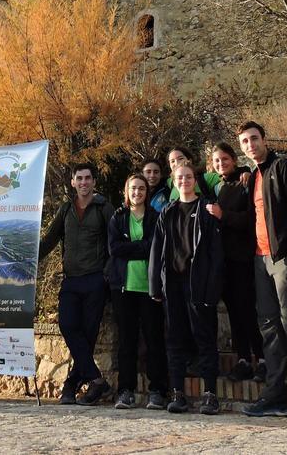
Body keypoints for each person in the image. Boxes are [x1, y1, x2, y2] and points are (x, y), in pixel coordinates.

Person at [237, 121, 287, 422]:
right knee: (269, 328)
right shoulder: (253, 176)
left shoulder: (284, 167)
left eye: (254, 139)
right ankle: (274, 397)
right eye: (244, 142)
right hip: (259, 260)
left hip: (284, 259)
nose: (250, 145)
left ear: (264, 140)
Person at [38, 162, 116, 405]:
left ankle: (71, 384)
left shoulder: (104, 208)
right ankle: (96, 380)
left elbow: (115, 242)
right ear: (73, 182)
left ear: (94, 182)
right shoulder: (65, 209)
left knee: (88, 334)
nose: (83, 182)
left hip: (95, 279)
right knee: (68, 325)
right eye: (79, 178)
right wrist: (27, 259)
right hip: (71, 280)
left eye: (87, 178)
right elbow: (50, 239)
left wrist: (107, 273)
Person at [149, 162, 223, 416]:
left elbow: (216, 254)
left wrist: (213, 288)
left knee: (205, 339)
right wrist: (154, 287)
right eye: (180, 177)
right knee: (175, 340)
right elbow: (156, 252)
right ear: (173, 180)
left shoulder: (206, 210)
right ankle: (178, 393)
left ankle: (210, 394)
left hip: (199, 286)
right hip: (173, 287)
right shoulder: (167, 212)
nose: (184, 181)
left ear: (195, 179)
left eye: (189, 177)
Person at [105, 173, 167, 410]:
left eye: (141, 189)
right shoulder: (118, 217)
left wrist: (130, 247)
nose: (137, 192)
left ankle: (157, 391)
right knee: (126, 341)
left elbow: (154, 247)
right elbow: (114, 249)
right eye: (133, 188)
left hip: (149, 286)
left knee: (154, 339)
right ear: (126, 191)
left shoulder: (155, 217)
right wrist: (139, 248)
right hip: (123, 286)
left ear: (146, 192)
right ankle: (125, 391)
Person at [206, 142, 266, 383]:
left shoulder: (245, 181)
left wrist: (224, 216)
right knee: (233, 311)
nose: (221, 164)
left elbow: (250, 219)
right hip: (223, 259)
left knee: (248, 309)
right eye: (217, 161)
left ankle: (261, 359)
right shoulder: (216, 186)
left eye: (225, 159)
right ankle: (243, 359)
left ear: (233, 158)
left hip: (242, 256)